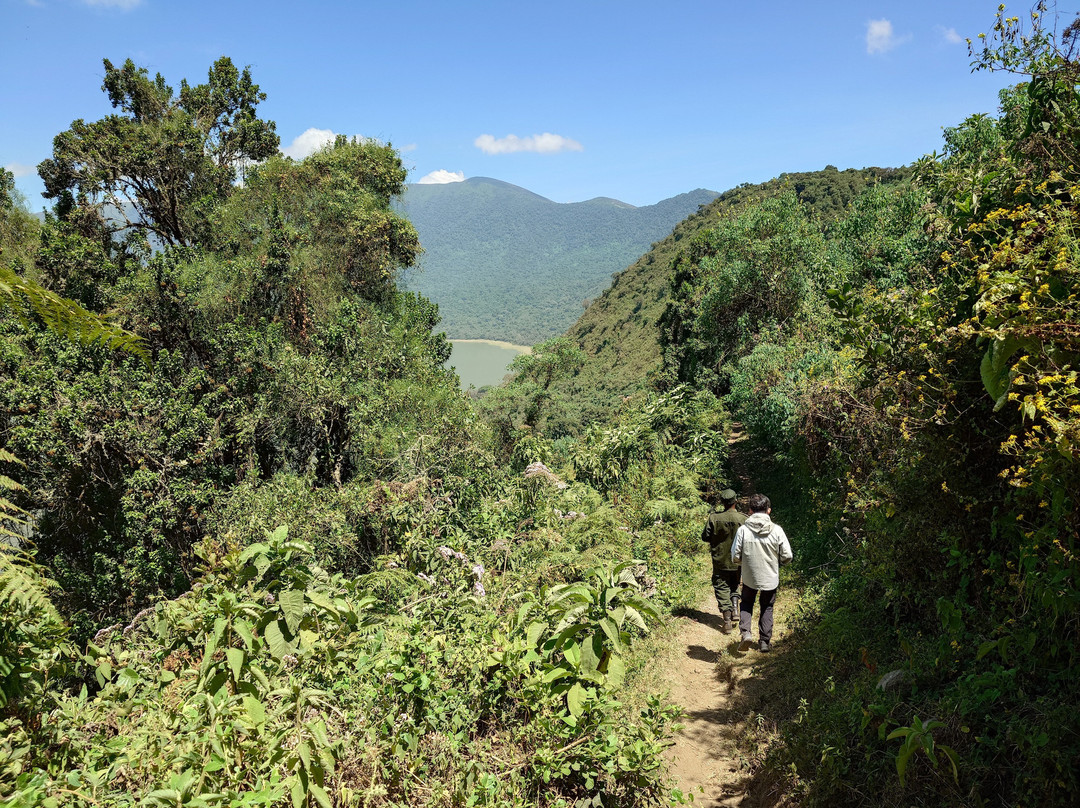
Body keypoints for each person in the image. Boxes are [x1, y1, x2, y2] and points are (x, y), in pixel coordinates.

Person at [731, 493, 792, 653]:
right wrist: (779, 563)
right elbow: (787, 556)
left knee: (746, 604)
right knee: (767, 607)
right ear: (769, 511)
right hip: (770, 578)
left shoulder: (743, 530)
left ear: (750, 510)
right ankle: (764, 642)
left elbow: (735, 556)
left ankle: (746, 634)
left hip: (750, 577)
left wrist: (744, 564)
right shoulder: (777, 530)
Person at [701, 488, 745, 633]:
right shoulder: (743, 519)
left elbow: (705, 537)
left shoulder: (714, 518)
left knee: (721, 587)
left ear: (722, 502)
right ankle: (735, 609)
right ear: (735, 501)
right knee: (735, 584)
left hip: (720, 560)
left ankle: (726, 621)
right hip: (737, 561)